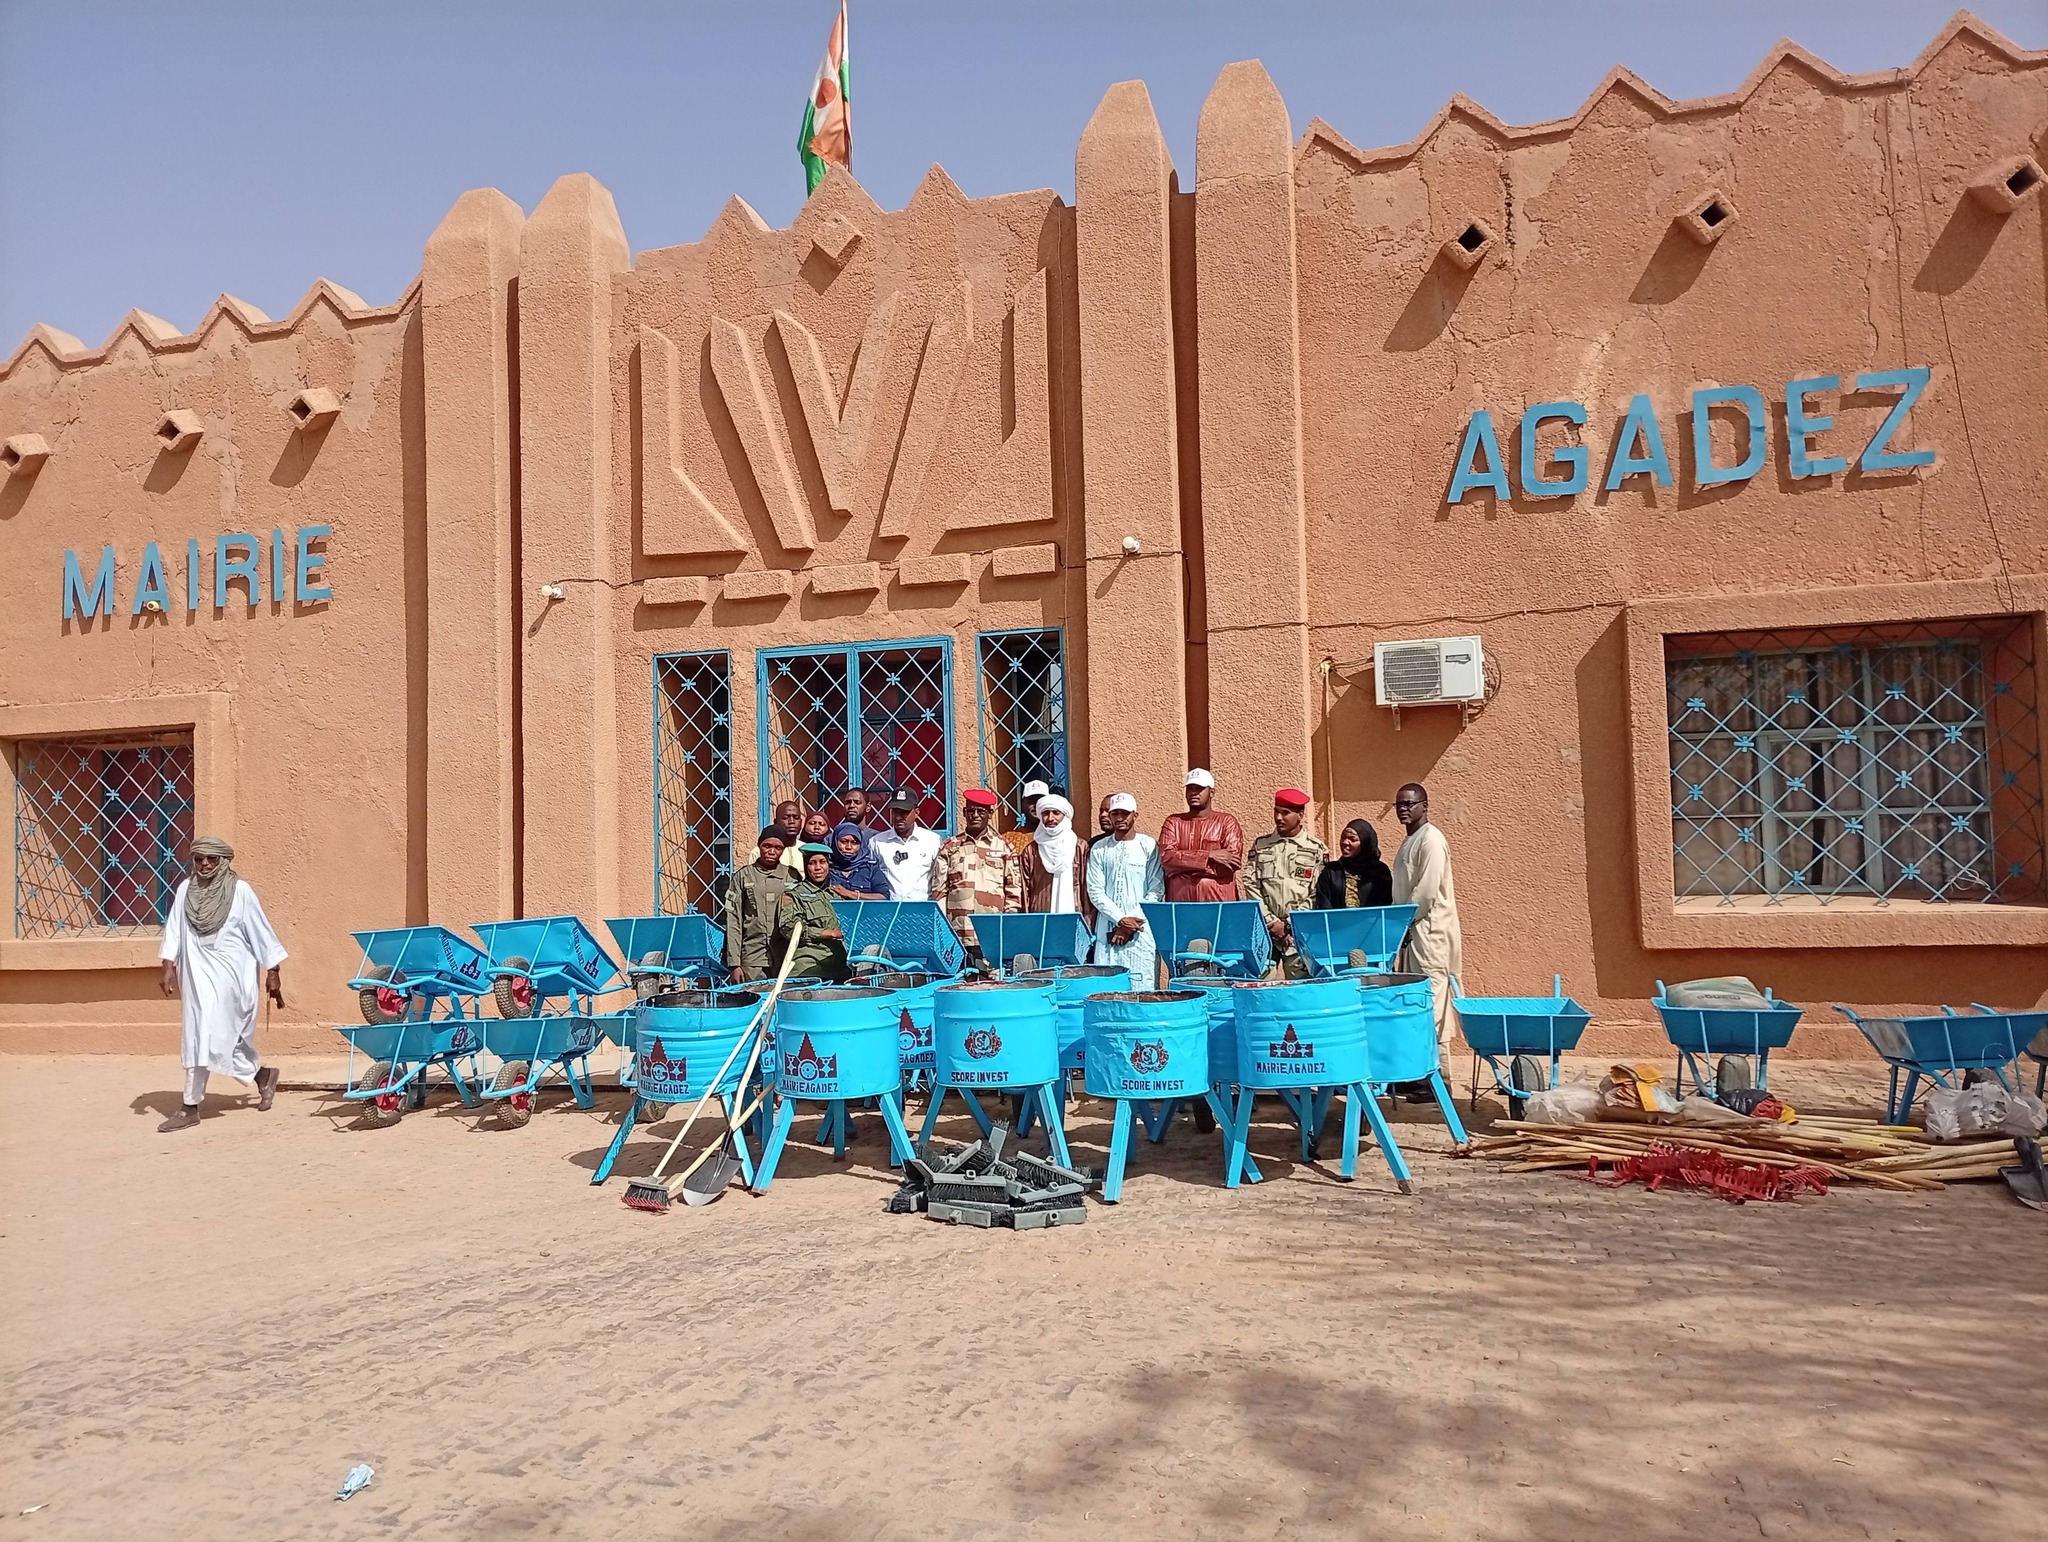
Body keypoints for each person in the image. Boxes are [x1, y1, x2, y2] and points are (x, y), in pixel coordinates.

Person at [155, 835, 287, 1132]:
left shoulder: (240, 891)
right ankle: (190, 1106)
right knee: (200, 1033)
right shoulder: (185, 889)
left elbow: (261, 932)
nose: (204, 864)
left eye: (211, 859)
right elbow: (174, 931)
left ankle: (261, 1075)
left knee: (221, 1035)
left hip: (232, 976)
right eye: (199, 858)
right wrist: (167, 967)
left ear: (223, 861)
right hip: (196, 974)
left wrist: (273, 971)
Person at [1390, 782, 1463, 1081]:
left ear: (1425, 805)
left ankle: (1439, 1078)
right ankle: (1420, 1074)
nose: (1403, 809)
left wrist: (1404, 923)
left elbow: (1426, 892)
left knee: (1432, 1004)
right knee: (1415, 1003)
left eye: (1409, 803)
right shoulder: (1410, 841)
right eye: (1399, 804)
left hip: (1429, 934)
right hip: (1411, 934)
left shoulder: (1431, 840)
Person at [1245, 789, 1328, 978]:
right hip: (1265, 931)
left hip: (1298, 932)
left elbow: (1317, 892)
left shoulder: (1316, 849)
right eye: (1276, 811)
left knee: (1300, 987)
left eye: (1285, 813)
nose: (1279, 818)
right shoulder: (1261, 845)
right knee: (1262, 984)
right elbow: (1250, 883)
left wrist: (1289, 924)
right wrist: (1272, 922)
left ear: (1300, 814)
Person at [1086, 792, 1165, 987]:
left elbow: (1156, 889)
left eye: (1125, 813)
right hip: (1107, 928)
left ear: (1135, 815)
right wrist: (1120, 919)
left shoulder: (1148, 846)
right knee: (1107, 988)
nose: (1120, 818)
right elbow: (1095, 891)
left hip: (1141, 928)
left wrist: (1130, 925)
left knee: (1142, 987)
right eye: (1115, 813)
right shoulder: (1099, 849)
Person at [930, 788, 1022, 956]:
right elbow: (939, 892)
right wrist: (943, 928)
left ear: (990, 813)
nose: (975, 815)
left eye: (981, 811)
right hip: (958, 933)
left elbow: (1013, 891)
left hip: (992, 932)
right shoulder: (950, 847)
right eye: (971, 811)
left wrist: (1008, 924)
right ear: (964, 813)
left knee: (993, 973)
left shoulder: (1004, 848)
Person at [1158, 768, 1245, 903]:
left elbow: (1228, 866)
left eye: (1199, 788)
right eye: (1190, 788)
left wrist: (1183, 868)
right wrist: (1209, 855)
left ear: (1212, 792)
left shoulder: (1227, 822)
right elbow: (1167, 859)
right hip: (1181, 902)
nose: (1194, 793)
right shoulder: (1173, 822)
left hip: (1219, 901)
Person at [725, 826, 794, 979]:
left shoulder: (791, 876)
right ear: (759, 845)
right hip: (752, 957)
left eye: (778, 847)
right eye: (767, 846)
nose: (772, 851)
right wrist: (734, 963)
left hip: (784, 956)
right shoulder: (742, 876)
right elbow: (733, 920)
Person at [776, 844, 850, 983]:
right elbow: (789, 929)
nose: (818, 868)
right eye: (812, 863)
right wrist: (829, 933)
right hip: (808, 967)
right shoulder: (794, 894)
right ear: (806, 866)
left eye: (822, 862)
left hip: (839, 968)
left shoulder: (835, 895)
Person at [1019, 793, 1093, 927]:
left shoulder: (1079, 847)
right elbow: (1025, 890)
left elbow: (1086, 887)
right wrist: (1027, 921)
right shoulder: (1031, 850)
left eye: (1056, 813)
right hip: (1040, 918)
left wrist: (1088, 919)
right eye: (1045, 813)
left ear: (1065, 815)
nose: (1050, 818)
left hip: (1075, 915)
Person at [869, 789, 943, 902]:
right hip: (890, 910)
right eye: (895, 812)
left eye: (904, 812)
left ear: (916, 813)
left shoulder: (933, 841)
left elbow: (940, 879)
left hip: (922, 909)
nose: (898, 817)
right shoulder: (877, 842)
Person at [1314, 818, 1393, 910]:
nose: (1345, 842)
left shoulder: (1380, 872)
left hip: (1373, 919)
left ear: (1365, 843)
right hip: (1337, 919)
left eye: (1352, 839)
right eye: (1343, 837)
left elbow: (1385, 905)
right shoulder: (1331, 871)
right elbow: (1323, 904)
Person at [825, 821, 888, 901]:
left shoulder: (870, 868)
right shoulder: (826, 867)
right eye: (844, 842)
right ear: (834, 842)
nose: (849, 847)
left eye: (854, 843)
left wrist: (850, 894)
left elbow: (883, 897)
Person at [1003, 778, 1051, 857]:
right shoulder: (1008, 839)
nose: (1036, 806)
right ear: (1023, 804)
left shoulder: (1058, 838)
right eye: (1031, 801)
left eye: (1040, 802)